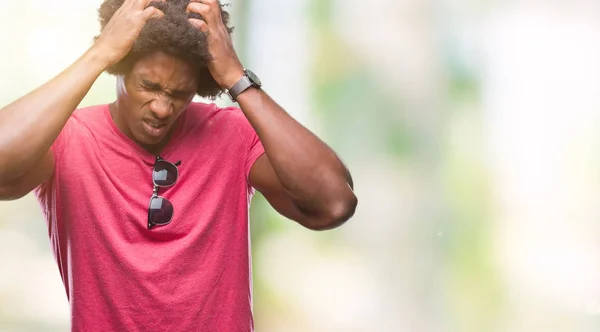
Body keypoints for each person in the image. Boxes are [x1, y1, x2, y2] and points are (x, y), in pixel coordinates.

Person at [0, 0, 357, 330]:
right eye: (148, 86)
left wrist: (236, 76)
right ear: (119, 67)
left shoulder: (231, 134)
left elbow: (333, 202)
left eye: (179, 93)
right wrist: (99, 54)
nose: (161, 107)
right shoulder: (69, 139)